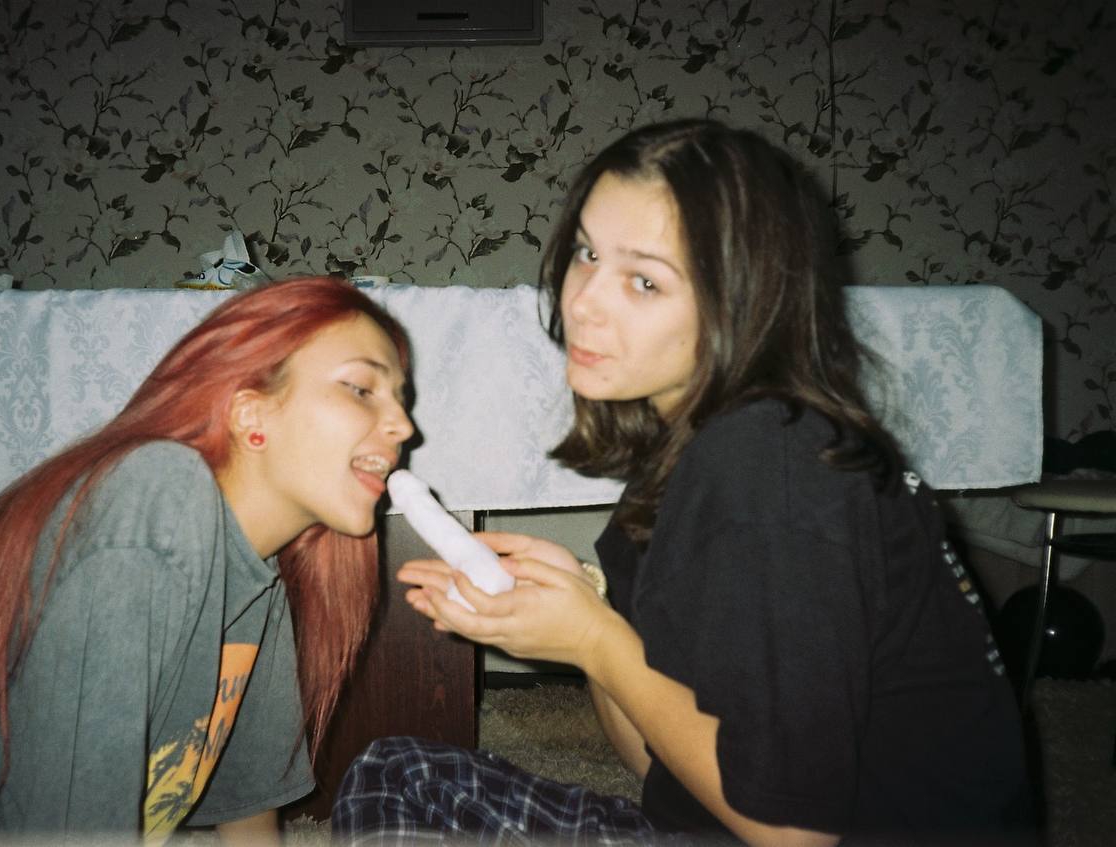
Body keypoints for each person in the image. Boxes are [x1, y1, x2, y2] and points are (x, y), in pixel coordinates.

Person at [331, 119, 1036, 846]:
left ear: (743, 300)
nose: (582, 301)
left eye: (644, 281)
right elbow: (666, 775)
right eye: (586, 253)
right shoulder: (690, 459)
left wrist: (596, 640)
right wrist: (588, 612)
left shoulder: (773, 466)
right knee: (399, 773)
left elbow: (792, 832)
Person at [0, 276, 414, 842]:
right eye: (362, 389)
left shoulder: (259, 579)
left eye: (401, 400)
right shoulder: (155, 496)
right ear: (250, 414)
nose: (403, 427)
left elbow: (248, 819)